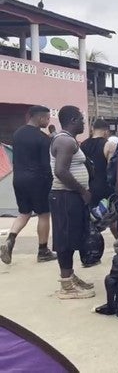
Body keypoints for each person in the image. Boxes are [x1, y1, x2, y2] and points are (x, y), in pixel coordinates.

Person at [0, 105, 57, 265]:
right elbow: (46, 165)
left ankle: (10, 240)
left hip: (18, 179)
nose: (47, 121)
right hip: (38, 180)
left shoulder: (17, 134)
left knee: (24, 213)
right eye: (47, 118)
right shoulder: (42, 138)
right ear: (39, 118)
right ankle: (43, 250)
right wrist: (52, 180)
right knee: (44, 214)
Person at [50, 106, 94, 299]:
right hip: (65, 196)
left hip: (69, 196)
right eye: (82, 120)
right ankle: (66, 285)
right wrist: (82, 190)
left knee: (72, 235)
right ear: (74, 120)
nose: (84, 123)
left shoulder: (67, 140)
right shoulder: (65, 141)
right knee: (65, 239)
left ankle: (70, 275)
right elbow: (60, 171)